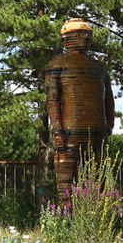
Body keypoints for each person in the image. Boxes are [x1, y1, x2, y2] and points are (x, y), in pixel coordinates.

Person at [44, 18, 114, 200]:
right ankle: (68, 219)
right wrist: (59, 132)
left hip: (96, 133)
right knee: (67, 181)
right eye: (81, 35)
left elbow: (108, 99)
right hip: (70, 134)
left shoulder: (99, 67)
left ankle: (95, 217)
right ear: (68, 38)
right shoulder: (56, 65)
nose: (85, 39)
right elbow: (52, 100)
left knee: (99, 181)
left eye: (87, 35)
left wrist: (109, 127)